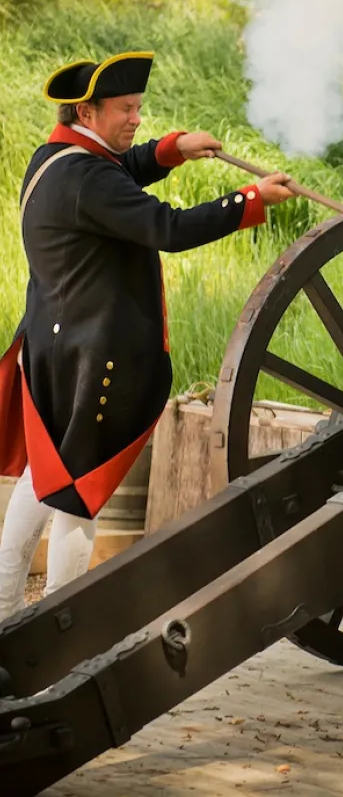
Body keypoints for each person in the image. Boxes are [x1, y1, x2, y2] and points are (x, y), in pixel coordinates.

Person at [0, 50, 295, 622]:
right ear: (88, 110)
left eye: (139, 107)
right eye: (126, 108)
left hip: (55, 349)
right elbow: (168, 228)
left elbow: (118, 169)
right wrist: (250, 201)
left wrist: (171, 150)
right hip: (91, 361)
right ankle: (54, 630)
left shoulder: (55, 157)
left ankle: (9, 614)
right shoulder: (88, 179)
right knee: (78, 503)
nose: (137, 117)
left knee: (46, 485)